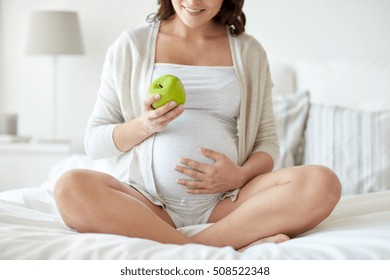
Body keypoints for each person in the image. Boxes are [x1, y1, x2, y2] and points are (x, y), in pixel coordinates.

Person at [54, 0, 341, 251]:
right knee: (70, 187)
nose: (193, 1)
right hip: (148, 203)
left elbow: (267, 142)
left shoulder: (248, 51)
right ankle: (221, 244)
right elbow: (95, 142)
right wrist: (145, 125)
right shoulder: (132, 45)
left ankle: (190, 245)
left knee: (322, 182)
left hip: (227, 203)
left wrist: (239, 176)